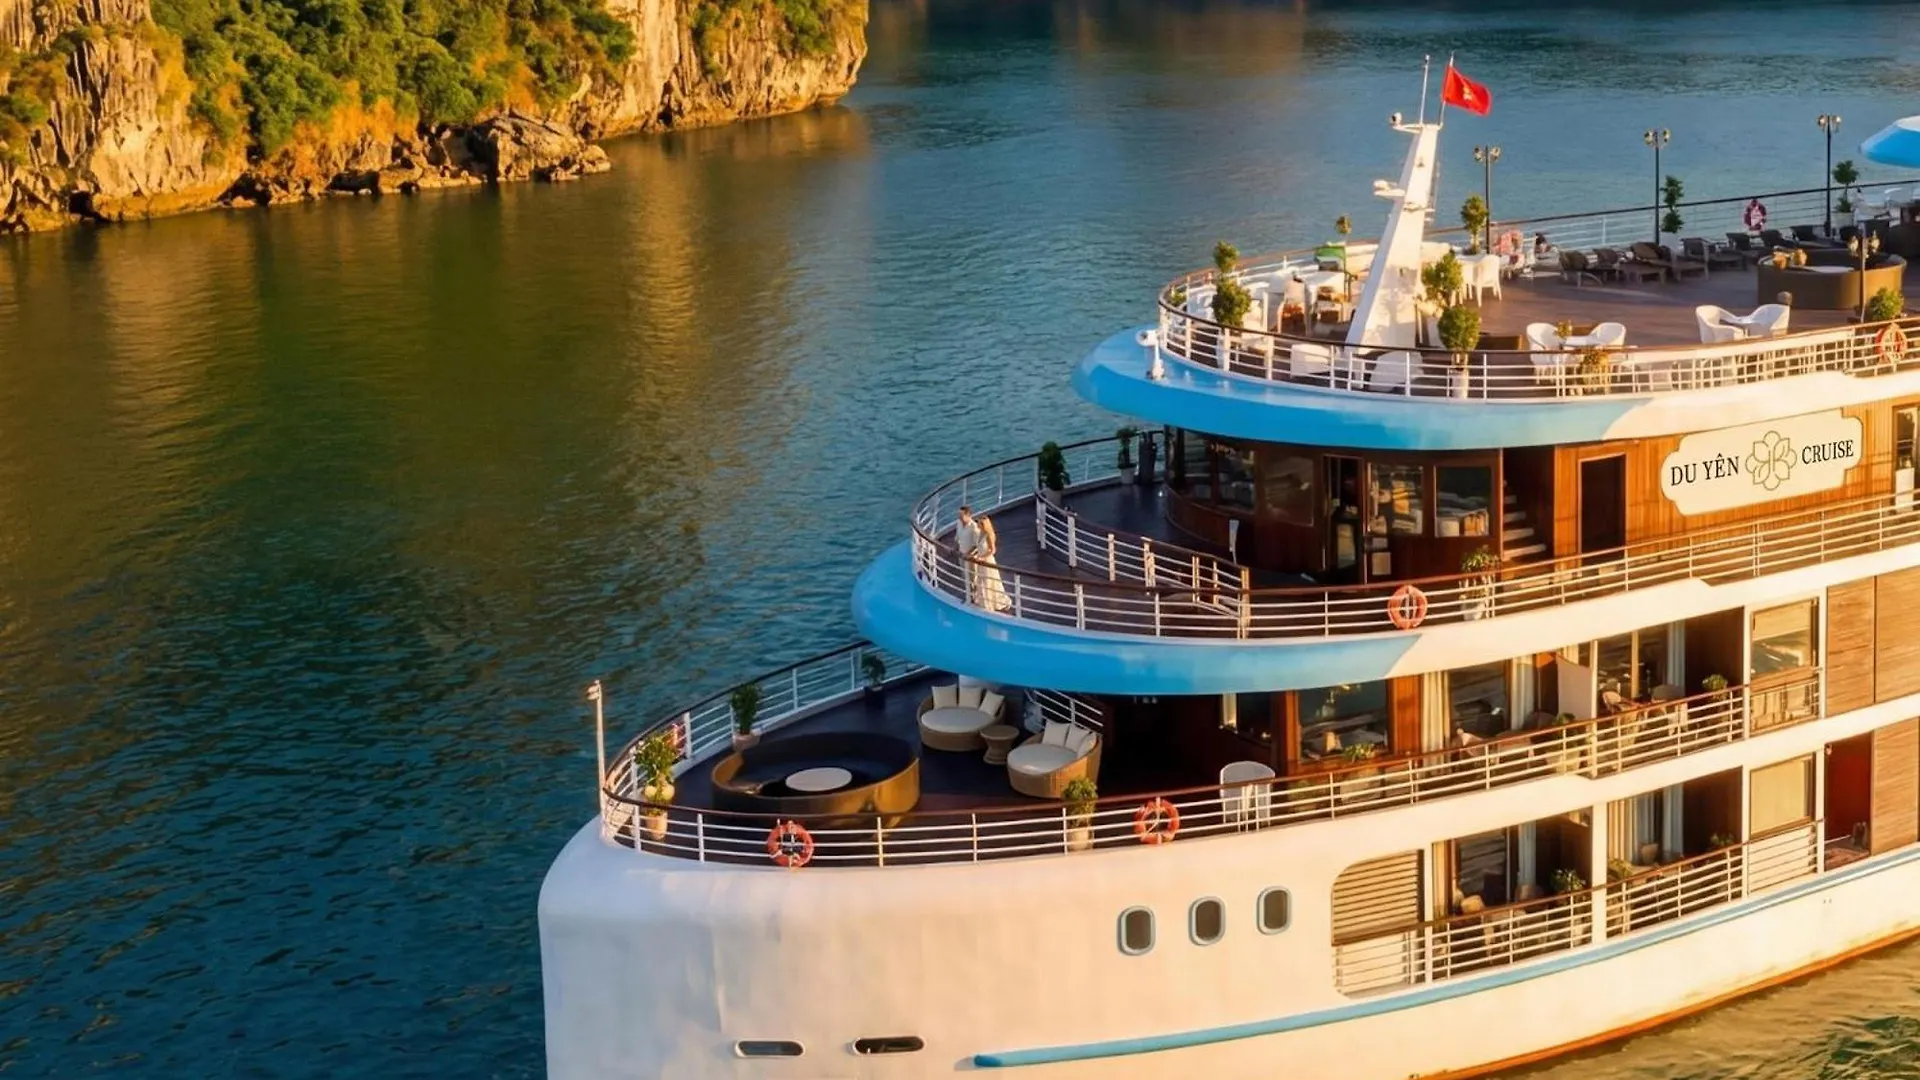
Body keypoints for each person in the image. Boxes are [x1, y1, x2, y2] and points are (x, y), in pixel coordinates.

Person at [954, 506, 1010, 612]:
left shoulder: (988, 535)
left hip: (987, 561)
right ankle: (982, 601)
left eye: (980, 523)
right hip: (980, 560)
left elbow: (993, 550)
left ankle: (991, 602)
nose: (978, 524)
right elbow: (976, 546)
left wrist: (982, 558)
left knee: (988, 582)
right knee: (981, 582)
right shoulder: (979, 534)